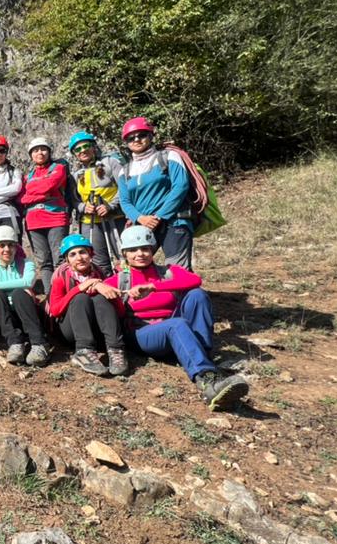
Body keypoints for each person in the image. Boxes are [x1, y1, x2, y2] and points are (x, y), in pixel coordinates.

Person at [106, 226, 248, 410]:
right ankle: (207, 380)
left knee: (197, 295)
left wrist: (153, 287)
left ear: (152, 250)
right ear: (125, 253)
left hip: (174, 325)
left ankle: (201, 354)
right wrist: (98, 286)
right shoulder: (119, 280)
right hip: (142, 333)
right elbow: (97, 295)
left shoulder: (167, 272)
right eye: (133, 250)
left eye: (145, 248)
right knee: (176, 325)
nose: (140, 254)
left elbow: (195, 280)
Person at [46, 234, 128, 376]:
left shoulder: (102, 276)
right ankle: (84, 351)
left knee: (100, 298)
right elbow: (55, 310)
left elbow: (120, 312)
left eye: (83, 252)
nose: (79, 258)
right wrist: (80, 288)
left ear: (91, 254)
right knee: (80, 298)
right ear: (67, 260)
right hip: (72, 331)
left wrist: (105, 290)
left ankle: (116, 349)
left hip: (99, 332)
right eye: (72, 255)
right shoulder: (60, 280)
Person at [117, 117, 194, 270]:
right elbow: (124, 201)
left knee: (178, 270)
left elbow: (180, 186)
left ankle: (188, 288)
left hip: (174, 222)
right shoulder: (124, 171)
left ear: (151, 135)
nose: (136, 140)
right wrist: (140, 218)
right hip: (142, 224)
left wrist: (160, 216)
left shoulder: (169, 156)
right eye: (131, 138)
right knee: (131, 268)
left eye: (142, 135)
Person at [0, 224, 49, 365]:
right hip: (2, 317)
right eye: (1, 245)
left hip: (25, 313)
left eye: (11, 245)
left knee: (19, 294)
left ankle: (38, 344)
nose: (7, 249)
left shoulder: (26, 264)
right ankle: (14, 343)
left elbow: (28, 281)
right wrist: (18, 285)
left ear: (16, 247)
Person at [69, 131, 125, 277]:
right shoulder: (76, 174)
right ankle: (106, 286)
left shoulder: (110, 163)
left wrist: (111, 205)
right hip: (90, 222)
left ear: (94, 147)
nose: (83, 151)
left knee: (124, 255)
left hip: (116, 217)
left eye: (86, 146)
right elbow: (74, 200)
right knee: (98, 261)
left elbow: (125, 187)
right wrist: (83, 207)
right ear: (75, 154)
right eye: (78, 149)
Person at [20, 136, 69, 294]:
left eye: (43, 149)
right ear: (31, 155)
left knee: (59, 259)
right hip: (33, 222)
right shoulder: (28, 176)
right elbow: (22, 198)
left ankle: (64, 293)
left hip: (56, 218)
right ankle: (50, 295)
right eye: (35, 150)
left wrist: (31, 195)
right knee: (43, 262)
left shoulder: (59, 168)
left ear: (49, 152)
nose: (39, 153)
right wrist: (39, 195)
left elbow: (49, 185)